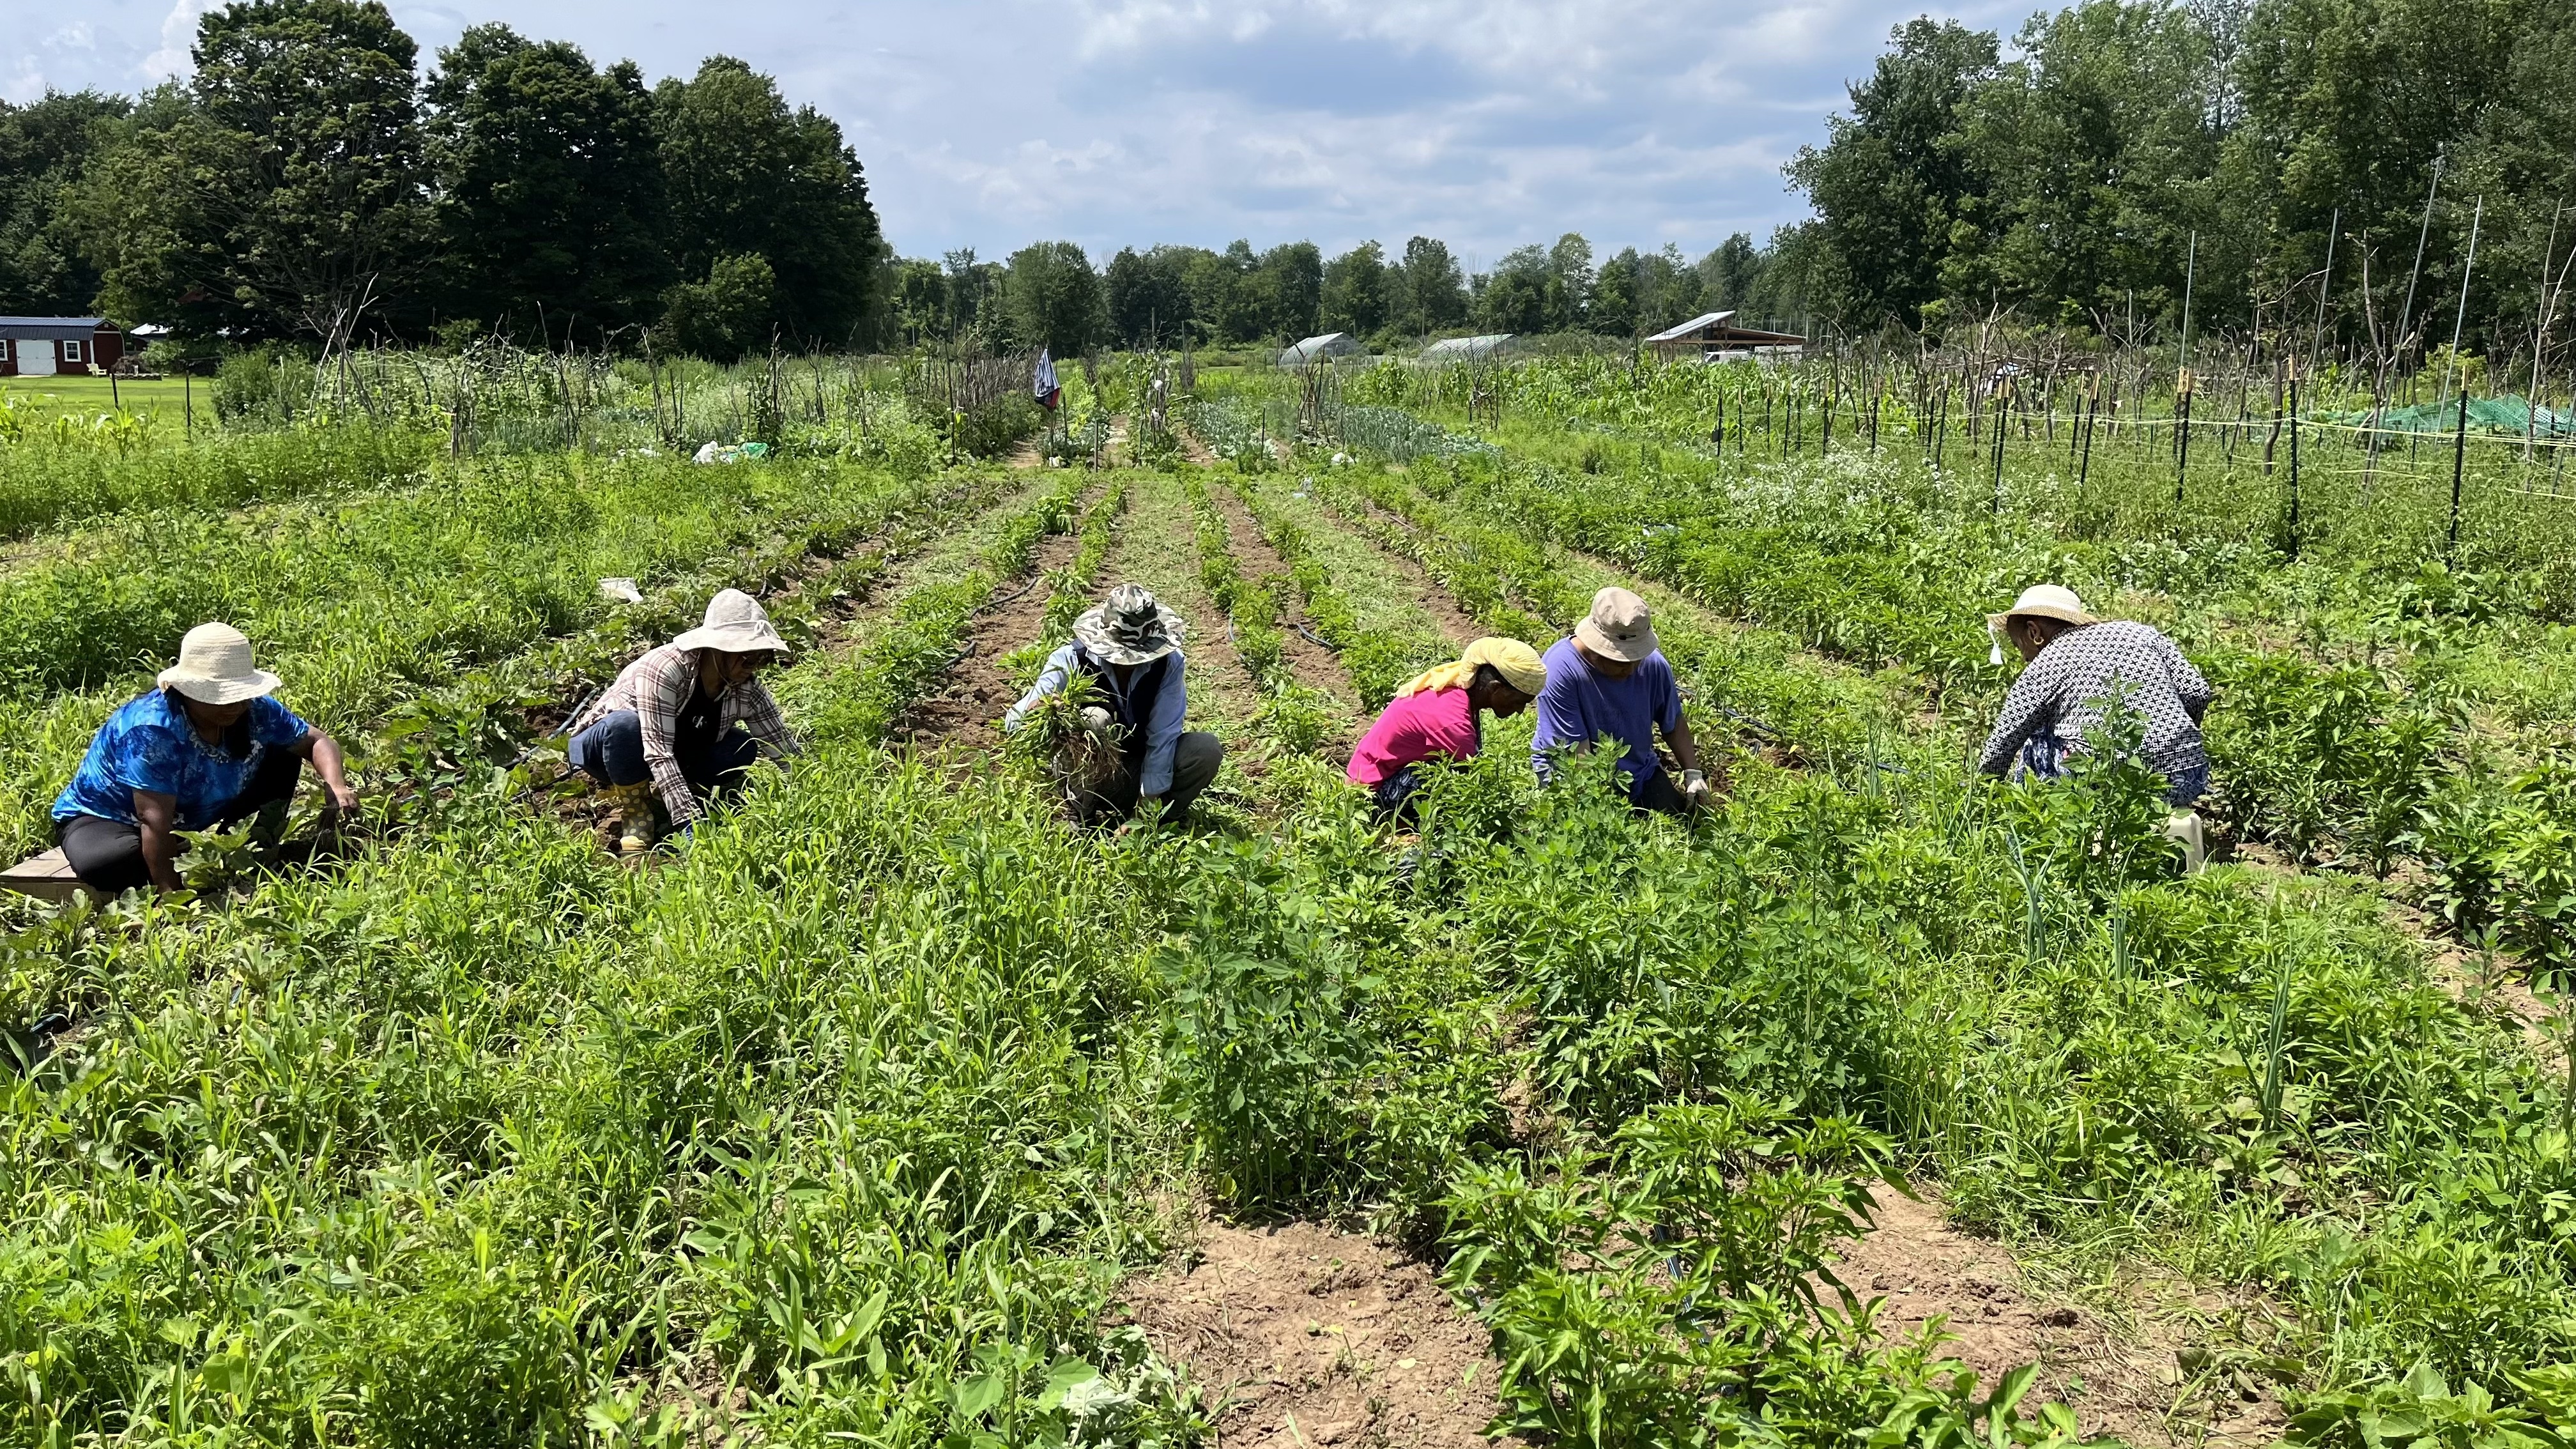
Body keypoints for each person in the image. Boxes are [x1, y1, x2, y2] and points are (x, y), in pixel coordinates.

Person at [50, 622, 359, 896]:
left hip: (189, 812)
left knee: (283, 753)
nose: (234, 705)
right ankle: (175, 858)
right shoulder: (153, 729)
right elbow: (152, 819)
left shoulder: (255, 710)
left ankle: (251, 851)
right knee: (104, 864)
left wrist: (336, 785)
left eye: (239, 695)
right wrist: (172, 895)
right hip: (108, 817)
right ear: (187, 689)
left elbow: (317, 741)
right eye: (219, 697)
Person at [1977, 583, 2215, 866]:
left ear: (2034, 632)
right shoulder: (2142, 634)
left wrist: (1980, 799)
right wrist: (2173, 735)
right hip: (2185, 778)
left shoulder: (2050, 658)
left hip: (2103, 790)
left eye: (2020, 647)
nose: (2024, 657)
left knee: (2035, 738)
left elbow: (2004, 740)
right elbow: (2198, 692)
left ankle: (2031, 848)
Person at [566, 589, 798, 854]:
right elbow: (658, 750)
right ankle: (637, 810)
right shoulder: (667, 669)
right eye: (748, 656)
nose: (754, 665)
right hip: (606, 751)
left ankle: (672, 793)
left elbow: (784, 748)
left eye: (763, 657)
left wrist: (813, 789)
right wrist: (690, 823)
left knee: (741, 747)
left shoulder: (746, 686)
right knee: (625, 726)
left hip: (669, 746)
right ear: (718, 649)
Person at [1004, 583, 1223, 830]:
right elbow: (1014, 721)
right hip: (1088, 778)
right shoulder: (1070, 659)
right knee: (1093, 720)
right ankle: (1081, 816)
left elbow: (1163, 738)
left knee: (1205, 749)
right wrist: (1044, 708)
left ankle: (1162, 819)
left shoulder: (1167, 665)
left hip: (1140, 771)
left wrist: (1143, 815)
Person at [1530, 587, 1717, 815]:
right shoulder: (1562, 670)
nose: (1631, 669)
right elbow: (1577, 759)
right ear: (1595, 646)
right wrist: (1610, 814)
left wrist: (1693, 773)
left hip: (1638, 771)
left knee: (1680, 823)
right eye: (1621, 661)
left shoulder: (1653, 665)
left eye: (1636, 658)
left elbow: (1673, 722)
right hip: (1571, 775)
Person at [1347, 637, 1547, 825]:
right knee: (1453, 780)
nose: (1520, 710)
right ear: (1496, 689)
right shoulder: (1452, 722)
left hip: (1384, 775)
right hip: (1370, 795)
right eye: (1518, 701)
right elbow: (1473, 782)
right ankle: (1396, 825)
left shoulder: (1459, 694)